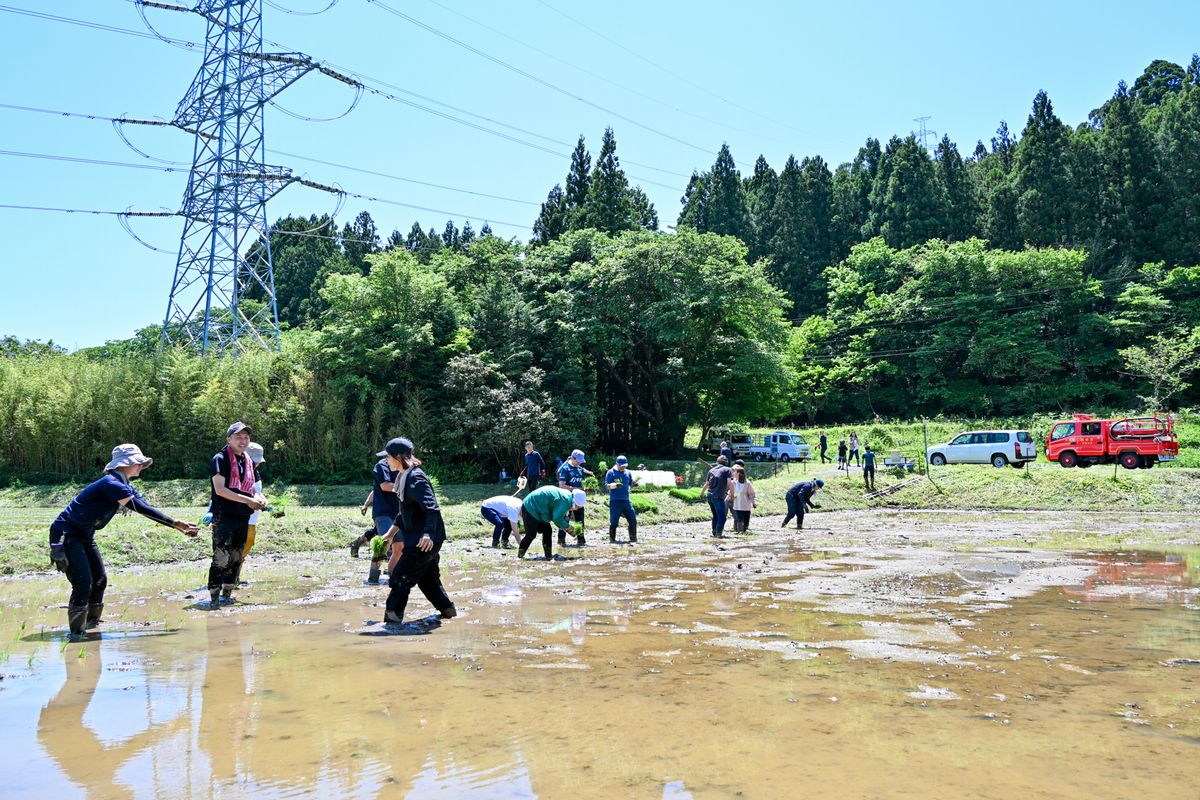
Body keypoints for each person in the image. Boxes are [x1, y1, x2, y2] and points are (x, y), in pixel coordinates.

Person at [49, 444, 198, 636]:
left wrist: (176, 523)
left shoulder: (125, 485)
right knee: (83, 582)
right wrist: (175, 524)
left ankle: (92, 625)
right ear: (123, 464)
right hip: (66, 535)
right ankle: (76, 634)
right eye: (137, 462)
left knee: (100, 579)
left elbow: (144, 505)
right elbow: (140, 509)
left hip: (85, 535)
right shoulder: (111, 484)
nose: (141, 466)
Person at [379, 437, 456, 627]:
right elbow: (404, 512)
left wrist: (428, 533)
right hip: (424, 538)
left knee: (399, 579)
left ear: (397, 457)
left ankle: (391, 624)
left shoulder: (416, 478)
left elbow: (432, 508)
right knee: (428, 580)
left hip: (424, 540)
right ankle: (449, 612)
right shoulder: (404, 477)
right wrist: (390, 534)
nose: (385, 461)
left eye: (387, 457)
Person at [208, 422, 267, 608]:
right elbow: (220, 490)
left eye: (246, 437)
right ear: (229, 439)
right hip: (224, 515)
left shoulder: (248, 461)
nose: (243, 441)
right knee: (221, 557)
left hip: (243, 516)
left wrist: (259, 499)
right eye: (238, 437)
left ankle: (228, 595)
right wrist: (248, 500)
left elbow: (254, 489)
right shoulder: (220, 459)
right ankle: (214, 598)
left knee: (236, 557)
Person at [351, 450, 400, 558]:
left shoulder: (400, 467)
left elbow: (375, 490)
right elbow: (383, 486)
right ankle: (378, 569)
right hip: (383, 509)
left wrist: (366, 504)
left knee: (377, 531)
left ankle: (356, 543)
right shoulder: (382, 466)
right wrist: (406, 488)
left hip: (397, 509)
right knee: (388, 541)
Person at [232, 441, 266, 589]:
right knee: (235, 547)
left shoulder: (255, 472)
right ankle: (229, 579)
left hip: (252, 518)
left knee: (247, 545)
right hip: (238, 516)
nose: (257, 465)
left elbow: (256, 490)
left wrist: (263, 499)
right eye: (254, 461)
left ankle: (235, 577)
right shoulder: (235, 470)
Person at [519, 485, 585, 561]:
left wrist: (565, 526)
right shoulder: (566, 500)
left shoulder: (568, 497)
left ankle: (548, 556)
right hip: (531, 507)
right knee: (531, 534)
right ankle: (520, 556)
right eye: (578, 507)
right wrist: (569, 528)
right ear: (575, 503)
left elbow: (558, 514)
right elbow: (557, 518)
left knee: (547, 531)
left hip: (540, 509)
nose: (577, 509)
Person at [557, 448, 593, 547]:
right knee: (565, 520)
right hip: (567, 500)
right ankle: (561, 541)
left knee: (580, 520)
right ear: (572, 458)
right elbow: (561, 485)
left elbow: (582, 479)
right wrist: (576, 488)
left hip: (579, 499)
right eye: (578, 461)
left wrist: (586, 486)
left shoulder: (579, 468)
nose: (579, 463)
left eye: (580, 462)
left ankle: (581, 541)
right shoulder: (565, 469)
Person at [605, 455, 638, 544]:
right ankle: (612, 540)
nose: (623, 467)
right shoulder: (610, 473)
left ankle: (633, 539)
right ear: (617, 464)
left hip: (626, 501)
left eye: (625, 466)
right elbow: (607, 486)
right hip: (615, 501)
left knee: (633, 520)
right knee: (614, 522)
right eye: (621, 466)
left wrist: (634, 484)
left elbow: (630, 483)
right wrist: (614, 485)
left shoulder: (628, 473)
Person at [701, 455, 734, 538]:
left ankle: (714, 532)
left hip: (710, 496)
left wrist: (702, 493)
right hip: (718, 496)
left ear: (717, 462)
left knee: (715, 515)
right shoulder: (727, 470)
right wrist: (732, 495)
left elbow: (707, 483)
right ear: (726, 462)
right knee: (722, 517)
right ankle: (718, 534)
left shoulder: (711, 470)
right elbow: (730, 483)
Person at [728, 464, 757, 533]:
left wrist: (753, 503)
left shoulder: (747, 483)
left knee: (746, 524)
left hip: (746, 506)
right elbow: (732, 493)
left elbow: (751, 494)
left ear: (739, 474)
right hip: (737, 506)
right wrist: (732, 497)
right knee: (739, 520)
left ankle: (743, 531)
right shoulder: (734, 483)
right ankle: (739, 533)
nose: (733, 473)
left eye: (735, 472)